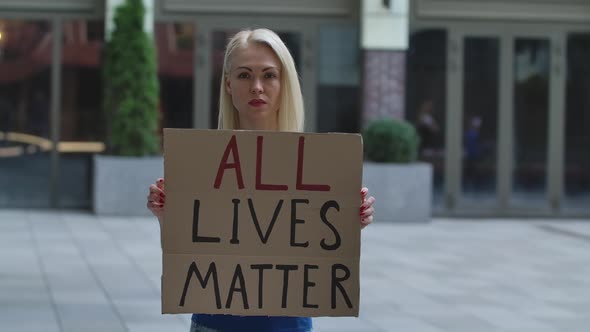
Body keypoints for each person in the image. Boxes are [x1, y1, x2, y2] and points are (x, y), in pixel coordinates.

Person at [147, 28, 376, 332]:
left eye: (269, 75)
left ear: (284, 84)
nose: (257, 87)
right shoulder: (203, 165)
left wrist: (347, 225)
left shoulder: (315, 167)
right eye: (244, 75)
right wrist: (167, 217)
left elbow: (318, 257)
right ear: (228, 84)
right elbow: (191, 253)